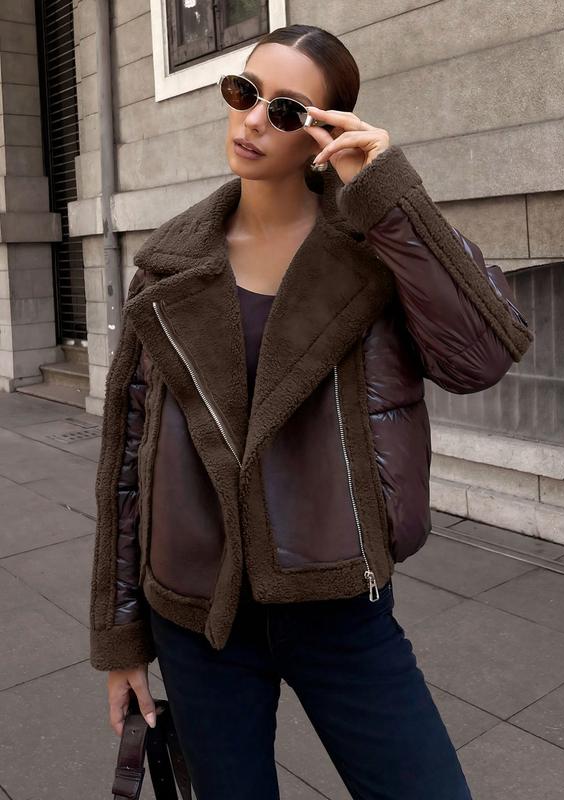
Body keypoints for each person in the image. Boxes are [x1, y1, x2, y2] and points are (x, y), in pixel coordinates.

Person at [89, 23, 533, 800]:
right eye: (245, 92)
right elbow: (128, 455)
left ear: (325, 131)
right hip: (198, 615)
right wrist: (121, 633)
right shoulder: (166, 265)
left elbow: (481, 357)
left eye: (287, 110)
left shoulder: (375, 249)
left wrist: (388, 194)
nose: (254, 119)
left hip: (340, 605)